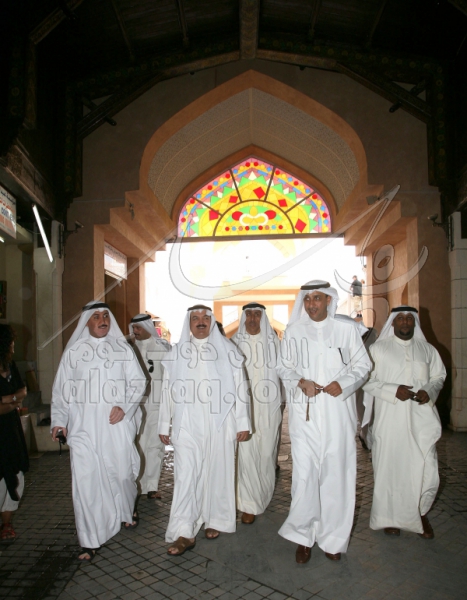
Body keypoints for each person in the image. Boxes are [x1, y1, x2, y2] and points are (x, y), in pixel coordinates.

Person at [276, 281, 371, 564]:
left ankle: (333, 538)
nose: (311, 305)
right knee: (305, 475)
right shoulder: (294, 331)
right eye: (307, 299)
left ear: (328, 300)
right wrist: (299, 381)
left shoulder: (346, 330)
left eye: (317, 298)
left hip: (337, 413)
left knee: (336, 473)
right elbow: (283, 366)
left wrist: (344, 383)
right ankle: (304, 536)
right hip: (304, 415)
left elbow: (363, 366)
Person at [51, 301, 147, 561]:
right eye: (95, 316)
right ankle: (89, 539)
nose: (102, 320)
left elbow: (138, 382)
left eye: (105, 315)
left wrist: (124, 406)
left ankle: (126, 509)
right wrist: (59, 420)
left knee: (123, 475)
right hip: (83, 428)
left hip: (115, 426)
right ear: (86, 322)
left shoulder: (122, 349)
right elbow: (61, 391)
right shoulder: (74, 353)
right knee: (86, 482)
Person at [159, 305, 251, 556]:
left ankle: (215, 519)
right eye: (195, 318)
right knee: (185, 476)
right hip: (186, 423)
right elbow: (166, 390)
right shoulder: (177, 353)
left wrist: (242, 422)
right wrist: (164, 423)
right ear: (188, 323)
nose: (200, 322)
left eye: (205, 318)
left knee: (217, 471)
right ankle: (184, 531)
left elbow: (240, 388)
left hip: (220, 423)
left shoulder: (228, 350)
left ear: (211, 322)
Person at [363, 306, 446, 538]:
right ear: (393, 322)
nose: (405, 322)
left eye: (409, 318)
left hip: (422, 421)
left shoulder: (427, 350)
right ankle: (390, 517)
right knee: (390, 469)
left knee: (426, 468)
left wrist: (429, 390)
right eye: (400, 318)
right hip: (390, 421)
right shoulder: (378, 350)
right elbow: (365, 379)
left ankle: (420, 514)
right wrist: (392, 390)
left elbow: (439, 376)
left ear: (415, 322)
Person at [232, 302, 283, 524]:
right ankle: (248, 504)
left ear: (263, 317)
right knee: (246, 455)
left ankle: (262, 496)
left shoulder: (275, 343)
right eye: (249, 315)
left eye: (257, 315)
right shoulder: (233, 344)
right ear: (244, 317)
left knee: (266, 453)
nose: (252, 319)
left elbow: (286, 373)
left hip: (270, 409)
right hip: (243, 410)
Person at [129, 314, 170, 500]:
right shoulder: (130, 349)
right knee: (137, 445)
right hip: (135, 406)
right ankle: (138, 484)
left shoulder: (162, 348)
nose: (135, 331)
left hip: (157, 405)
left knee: (154, 446)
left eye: (138, 327)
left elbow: (170, 378)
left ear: (147, 327)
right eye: (133, 328)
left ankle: (152, 486)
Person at [0, 325, 29, 543]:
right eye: (11, 342)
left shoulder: (10, 366)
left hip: (10, 428)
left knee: (15, 472)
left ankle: (7, 524)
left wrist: (7, 400)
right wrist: (13, 401)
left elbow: (23, 391)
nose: (13, 346)